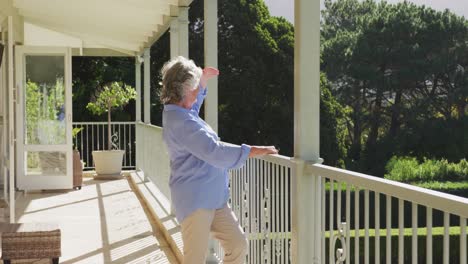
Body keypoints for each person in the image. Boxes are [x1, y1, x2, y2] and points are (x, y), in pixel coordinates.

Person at [160, 56, 278, 264]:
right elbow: (213, 151)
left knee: (237, 244)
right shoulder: (181, 122)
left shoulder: (180, 111)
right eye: (194, 89)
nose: (197, 94)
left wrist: (202, 82)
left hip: (214, 197)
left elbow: (193, 108)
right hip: (196, 200)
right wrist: (252, 151)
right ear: (183, 90)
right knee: (194, 259)